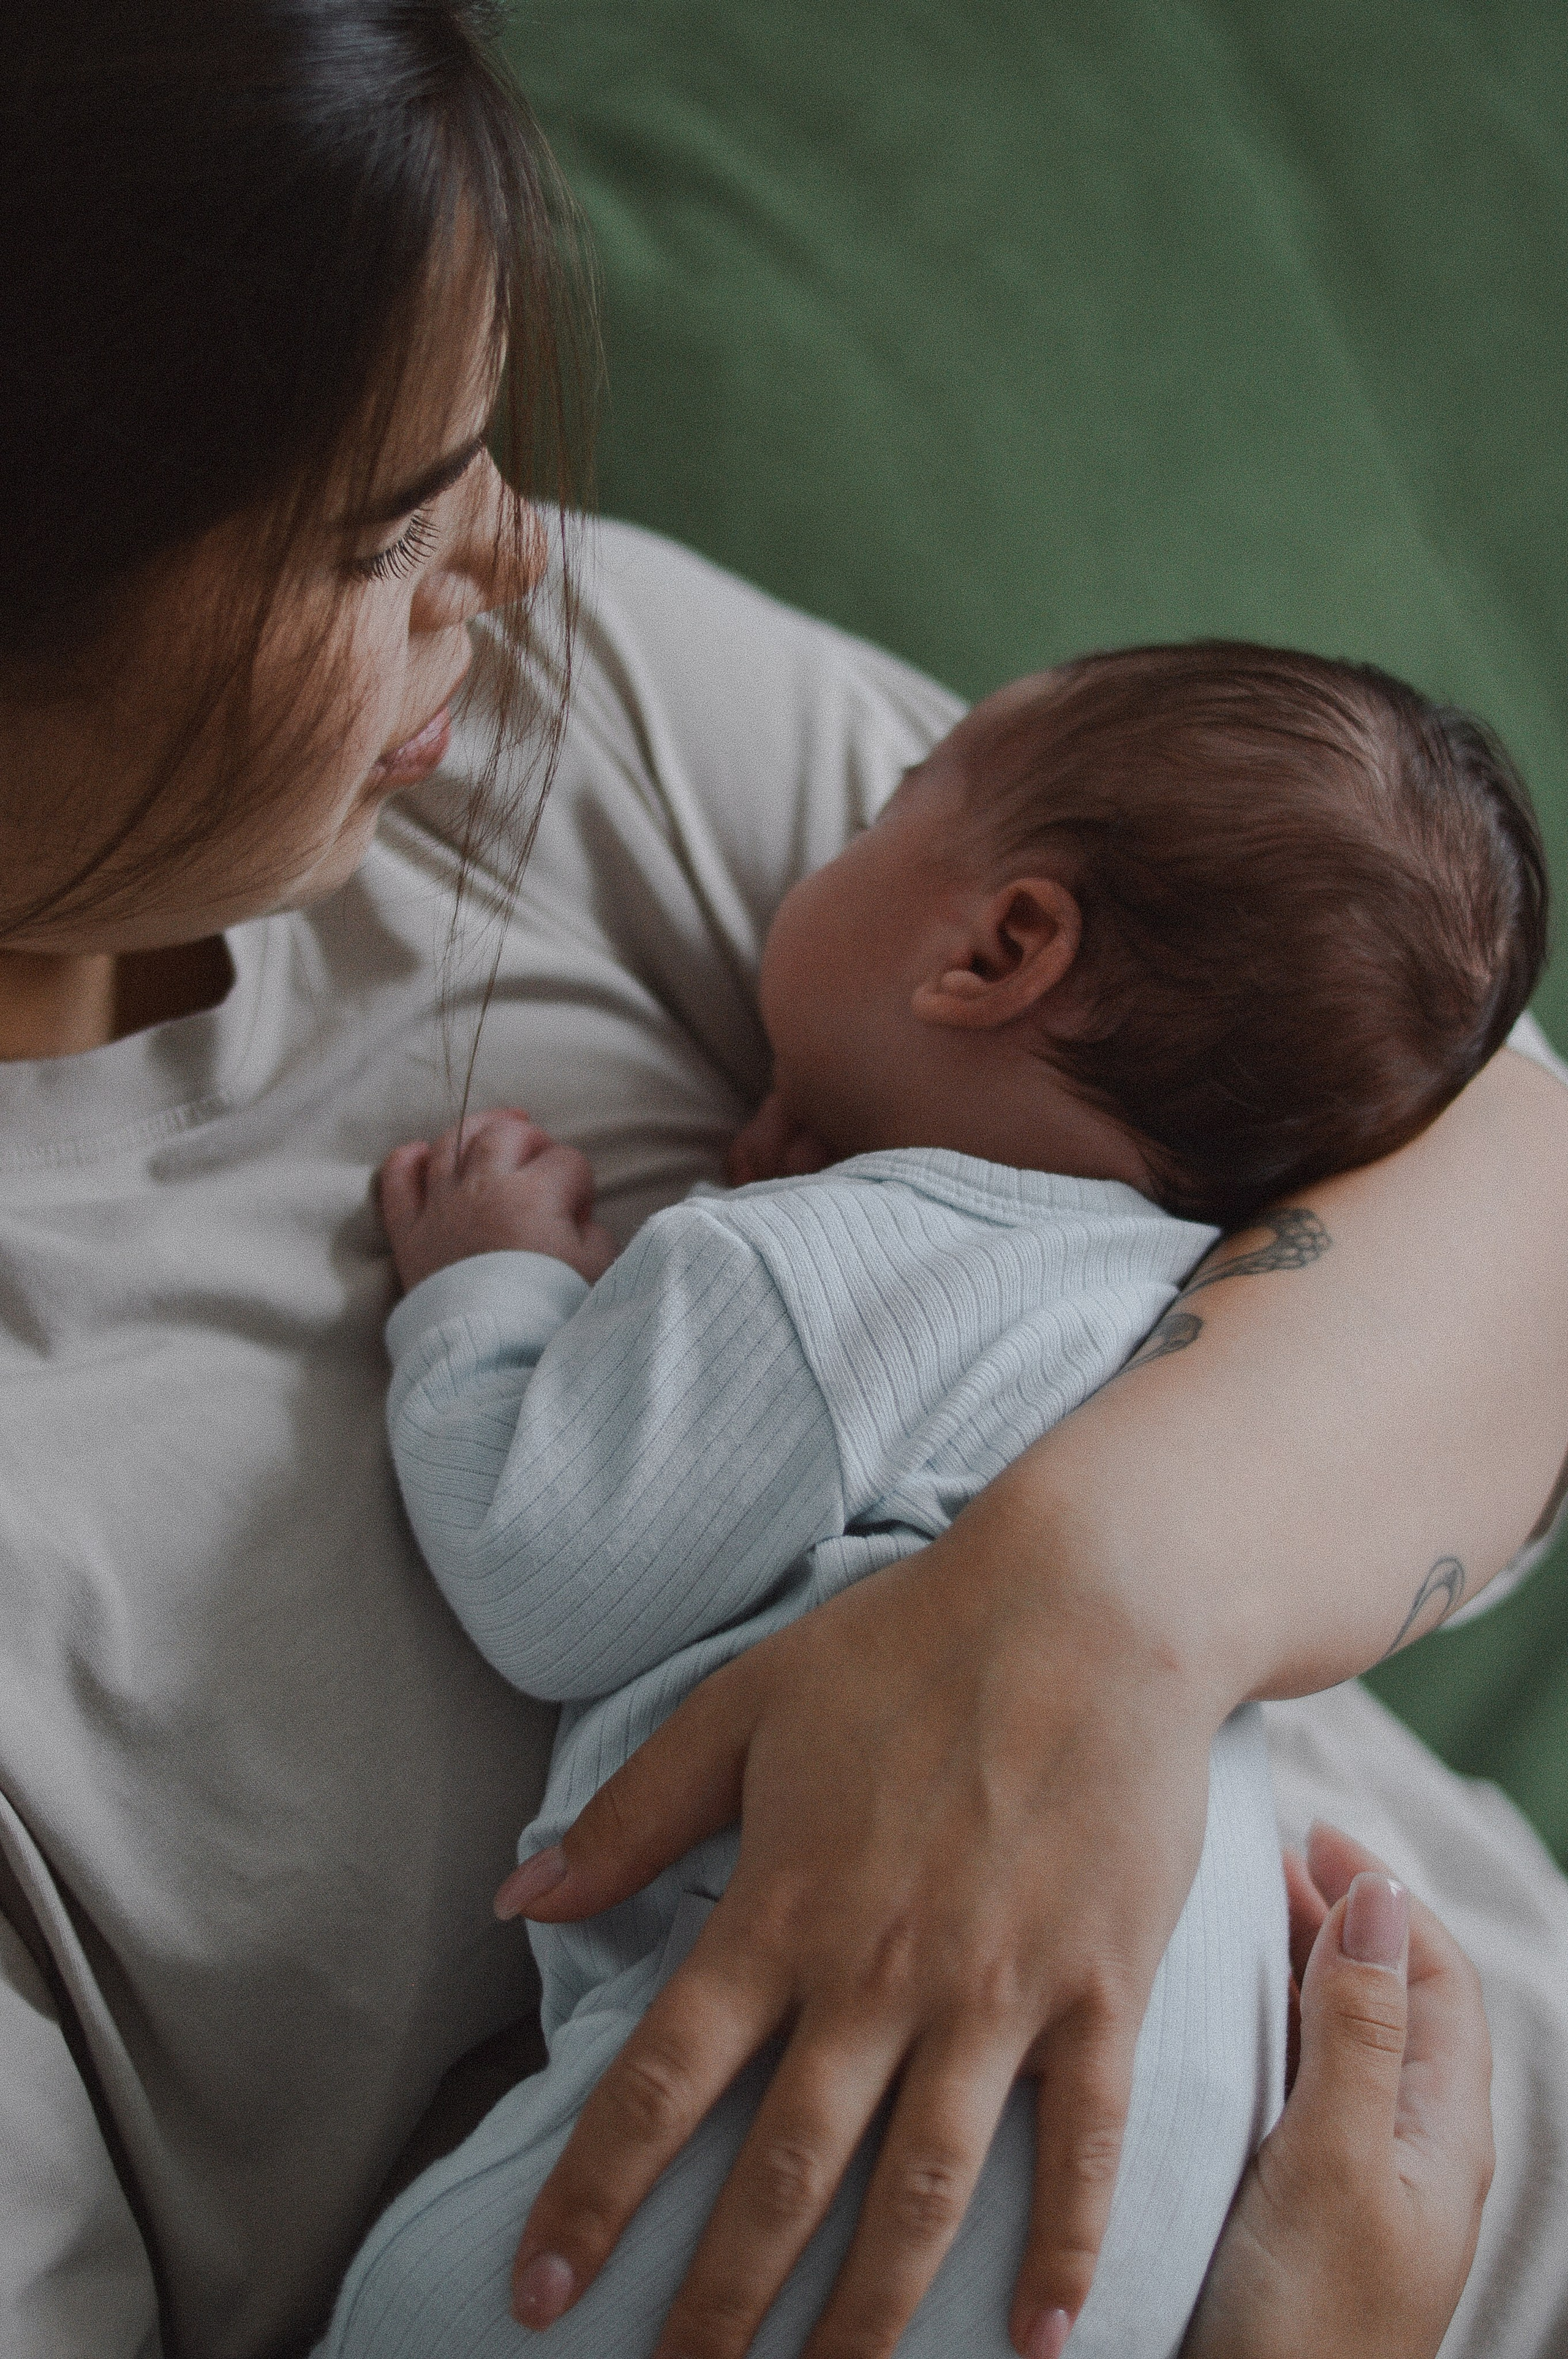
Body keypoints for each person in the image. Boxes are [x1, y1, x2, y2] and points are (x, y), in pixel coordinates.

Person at [2, 8, 1566, 2359]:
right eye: (381, 522)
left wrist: (1095, 1601)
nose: (512, 557)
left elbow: (1493, 1143)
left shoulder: (533, 710)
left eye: (484, 456)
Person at [306, 638, 1541, 2358]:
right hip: (1125, 2265)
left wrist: (488, 1293)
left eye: (896, 804)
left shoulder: (810, 1273)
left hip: (730, 2234)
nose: (856, 819)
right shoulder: (1226, 1332)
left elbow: (546, 1564)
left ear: (998, 945)